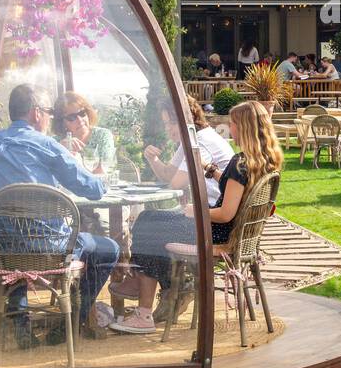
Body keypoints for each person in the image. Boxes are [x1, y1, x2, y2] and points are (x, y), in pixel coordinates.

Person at [115, 100, 282, 333]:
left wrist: (197, 211)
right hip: (235, 232)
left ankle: (150, 303)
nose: (229, 128)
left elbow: (225, 214)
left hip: (215, 231)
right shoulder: (264, 160)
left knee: (147, 222)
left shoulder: (240, 163)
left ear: (243, 128)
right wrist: (211, 170)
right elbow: (236, 189)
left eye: (232, 123)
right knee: (154, 222)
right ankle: (156, 284)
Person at [0, 84, 119, 348]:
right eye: (49, 111)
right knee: (109, 249)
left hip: (1, 248)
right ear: (37, 113)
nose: (50, 117)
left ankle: (20, 325)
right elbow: (91, 189)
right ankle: (69, 324)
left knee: (19, 242)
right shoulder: (46, 145)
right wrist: (103, 178)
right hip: (50, 249)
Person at [142, 96, 234, 205]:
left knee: (146, 218)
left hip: (213, 214)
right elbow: (168, 175)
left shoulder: (200, 141)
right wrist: (153, 159)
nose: (168, 128)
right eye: (166, 123)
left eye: (173, 123)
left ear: (188, 118)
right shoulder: (192, 138)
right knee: (147, 217)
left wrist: (183, 185)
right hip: (206, 210)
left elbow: (177, 184)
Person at [52, 91, 116, 173]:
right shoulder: (56, 142)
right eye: (72, 117)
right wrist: (60, 149)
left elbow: (102, 171)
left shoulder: (103, 135)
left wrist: (79, 164)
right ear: (62, 122)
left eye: (82, 113)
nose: (80, 120)